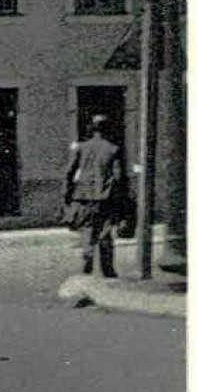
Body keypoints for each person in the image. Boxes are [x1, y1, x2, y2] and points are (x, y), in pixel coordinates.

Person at [64, 114, 127, 278]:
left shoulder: (81, 147)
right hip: (105, 195)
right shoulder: (114, 149)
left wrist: (67, 194)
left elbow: (69, 172)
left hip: (83, 195)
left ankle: (87, 263)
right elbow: (119, 176)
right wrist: (122, 197)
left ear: (91, 128)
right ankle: (108, 269)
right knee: (105, 232)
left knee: (87, 230)